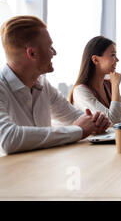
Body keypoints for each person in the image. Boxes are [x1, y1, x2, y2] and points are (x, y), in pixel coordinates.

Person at [0, 16, 110, 155]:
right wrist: (78, 130)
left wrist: (95, 122)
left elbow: (74, 117)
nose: (54, 52)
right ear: (32, 53)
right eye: (50, 46)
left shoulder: (43, 84)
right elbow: (8, 139)